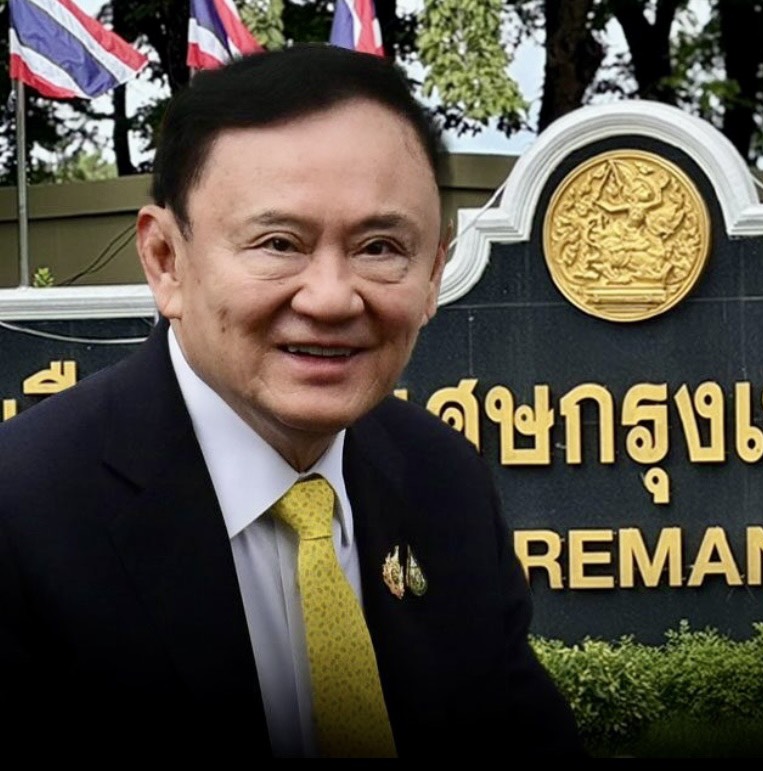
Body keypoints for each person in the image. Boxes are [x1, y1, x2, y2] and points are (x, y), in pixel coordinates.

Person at [0, 45, 582, 758]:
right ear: (166, 261)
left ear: (433, 273)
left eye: (379, 247)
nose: (331, 299)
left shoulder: (444, 482)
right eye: (279, 243)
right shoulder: (21, 513)